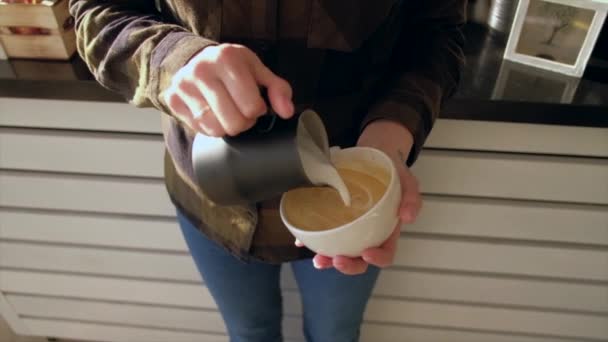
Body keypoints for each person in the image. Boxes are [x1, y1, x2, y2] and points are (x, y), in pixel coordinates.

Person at [70, 1, 465, 341]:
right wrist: (173, 58)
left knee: (335, 335)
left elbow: (435, 32)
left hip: (355, 211)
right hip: (209, 196)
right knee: (249, 334)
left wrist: (390, 136)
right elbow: (97, 13)